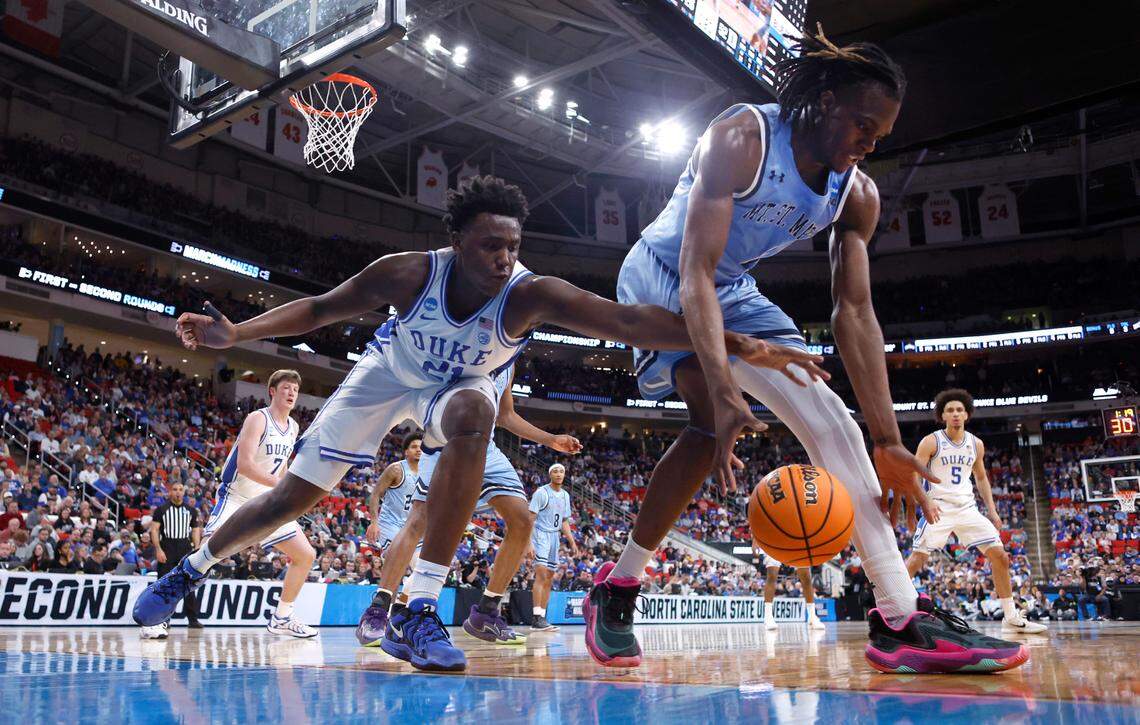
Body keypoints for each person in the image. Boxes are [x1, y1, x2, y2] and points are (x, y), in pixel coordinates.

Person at [135, 175, 822, 672]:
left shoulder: (529, 294)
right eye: (490, 244)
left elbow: (628, 320)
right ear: (457, 239)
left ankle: (421, 610)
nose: (503, 257)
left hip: (456, 392)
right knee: (291, 498)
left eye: (512, 245)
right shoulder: (406, 273)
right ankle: (188, 570)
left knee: (474, 410)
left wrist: (733, 341)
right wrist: (238, 334)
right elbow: (319, 308)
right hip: (388, 377)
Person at [585, 27, 1028, 674]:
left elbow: (854, 311)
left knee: (829, 414)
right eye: (862, 125)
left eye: (881, 133)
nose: (870, 142)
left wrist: (888, 438)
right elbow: (695, 273)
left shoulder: (859, 193)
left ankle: (899, 615)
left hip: (733, 287)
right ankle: (618, 585)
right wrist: (729, 387)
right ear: (824, 101)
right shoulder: (741, 139)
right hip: (664, 272)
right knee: (710, 423)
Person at [356, 364, 581, 651]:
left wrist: (550, 440)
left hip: (486, 448)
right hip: (445, 442)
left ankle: (486, 612)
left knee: (522, 520)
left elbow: (505, 415)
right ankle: (378, 609)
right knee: (419, 520)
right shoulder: (475, 342)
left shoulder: (510, 362)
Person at [905, 389, 1046, 634]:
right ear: (943, 415)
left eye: (960, 409)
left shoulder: (975, 444)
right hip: (939, 506)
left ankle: (1010, 618)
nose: (956, 414)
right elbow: (913, 474)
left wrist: (992, 510)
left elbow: (981, 478)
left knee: (1000, 556)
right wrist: (926, 501)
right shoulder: (931, 441)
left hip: (968, 508)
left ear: (967, 414)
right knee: (918, 559)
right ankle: (889, 607)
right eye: (950, 410)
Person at [203, 369, 317, 639]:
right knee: (203, 557)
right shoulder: (258, 418)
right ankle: (160, 610)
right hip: (237, 496)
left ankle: (282, 617)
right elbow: (245, 465)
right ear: (272, 391)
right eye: (286, 387)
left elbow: (283, 468)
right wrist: (283, 486)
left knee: (305, 555)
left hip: (267, 500)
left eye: (295, 390)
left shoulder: (294, 427)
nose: (291, 393)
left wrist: (288, 491)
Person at [143, 481, 203, 639]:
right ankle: (163, 619)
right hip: (167, 546)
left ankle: (192, 618)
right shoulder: (161, 510)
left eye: (180, 489)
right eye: (175, 489)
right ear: (170, 492)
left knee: (189, 583)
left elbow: (196, 531)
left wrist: (196, 549)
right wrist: (158, 549)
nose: (178, 492)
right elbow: (154, 530)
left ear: (184, 492)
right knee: (165, 583)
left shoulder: (191, 511)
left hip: (184, 547)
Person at [528, 463, 578, 632]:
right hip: (541, 535)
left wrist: (572, 542)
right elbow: (530, 518)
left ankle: (541, 617)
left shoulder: (565, 495)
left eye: (561, 471)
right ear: (550, 474)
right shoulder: (541, 493)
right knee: (541, 575)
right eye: (555, 471)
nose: (558, 474)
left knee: (549, 577)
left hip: (555, 537)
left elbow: (564, 521)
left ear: (564, 475)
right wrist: (529, 543)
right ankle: (536, 617)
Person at [365, 431, 422, 553]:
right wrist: (374, 522)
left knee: (419, 566)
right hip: (390, 524)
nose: (418, 450)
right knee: (396, 560)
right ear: (406, 452)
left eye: (420, 447)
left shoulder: (427, 474)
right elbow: (375, 494)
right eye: (414, 447)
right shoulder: (396, 469)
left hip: (411, 526)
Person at [753, 543, 824, 630]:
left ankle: (812, 616)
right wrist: (754, 539)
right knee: (772, 575)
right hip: (774, 537)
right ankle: (768, 617)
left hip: (796, 538)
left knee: (806, 577)